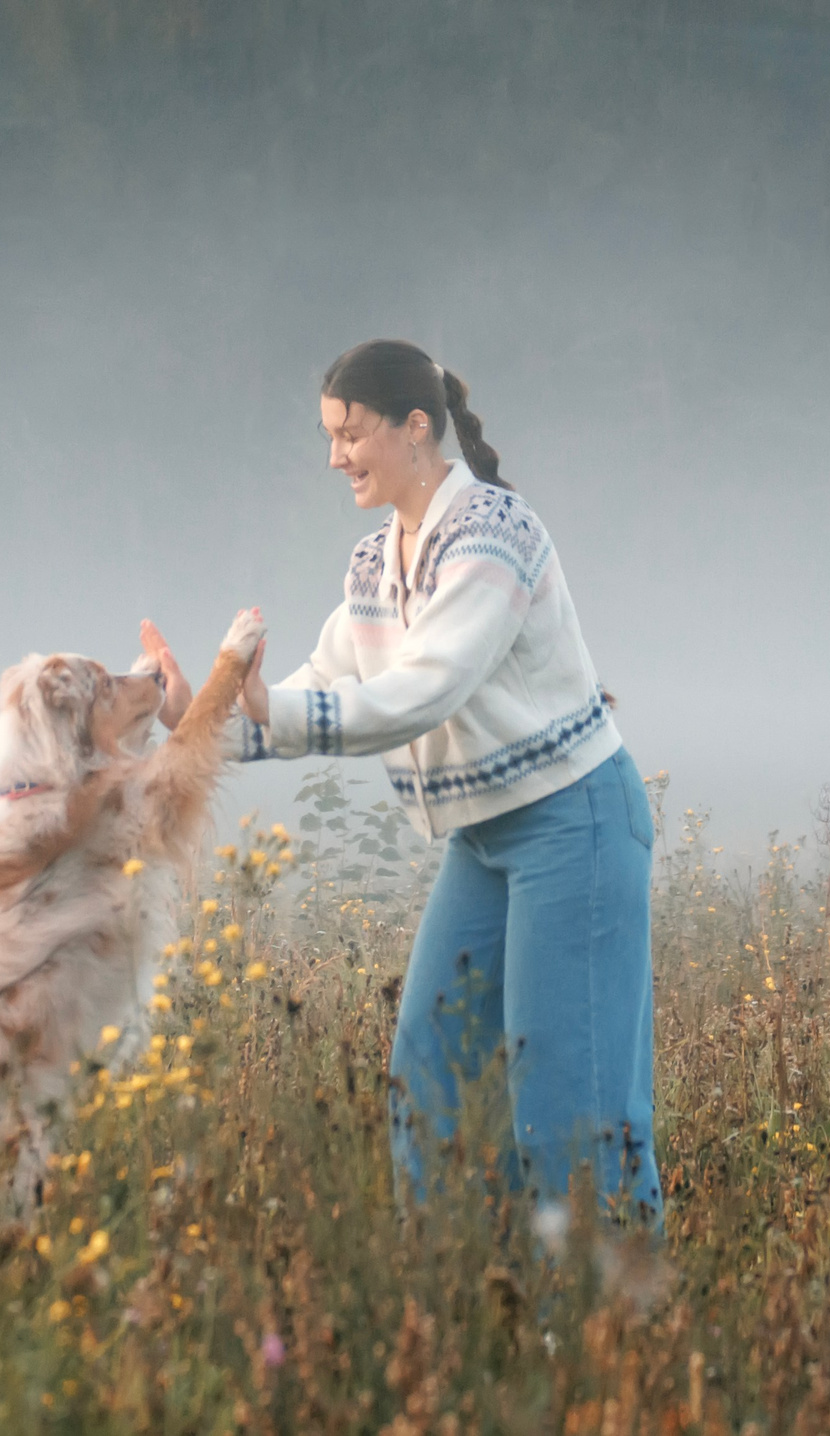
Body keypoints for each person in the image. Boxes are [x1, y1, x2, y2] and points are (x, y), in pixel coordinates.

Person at [141, 338, 660, 1227]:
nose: (334, 456)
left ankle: (605, 1304)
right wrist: (200, 718)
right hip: (485, 840)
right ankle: (462, 1287)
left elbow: (424, 691)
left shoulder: (492, 534)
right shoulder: (376, 561)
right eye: (328, 436)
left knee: (570, 1110)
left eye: (350, 434)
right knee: (430, 1084)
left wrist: (268, 706)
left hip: (572, 823)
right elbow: (317, 684)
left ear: (416, 427)